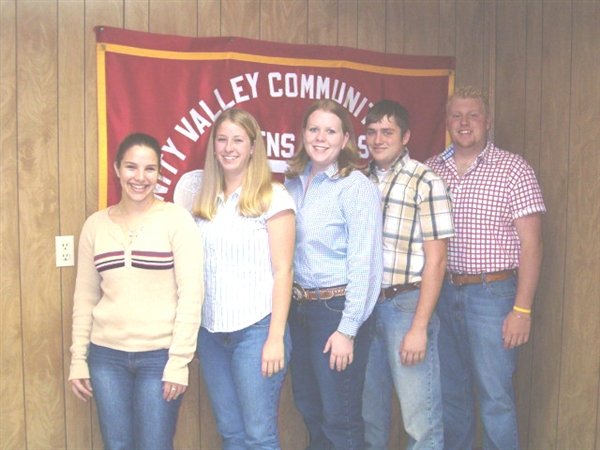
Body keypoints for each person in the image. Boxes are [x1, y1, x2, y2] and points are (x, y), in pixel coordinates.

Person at [425, 86, 545, 450]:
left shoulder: (513, 168)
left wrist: (521, 310)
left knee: (496, 398)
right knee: (451, 397)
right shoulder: (431, 170)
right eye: (457, 116)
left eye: (472, 115)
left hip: (493, 296)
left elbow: (533, 244)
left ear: (487, 122)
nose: (464, 123)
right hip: (442, 293)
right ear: (446, 123)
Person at [68, 132, 204, 450]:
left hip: (159, 358)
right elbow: (84, 297)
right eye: (131, 167)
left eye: (150, 169)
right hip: (105, 358)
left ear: (159, 172)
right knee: (117, 446)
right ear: (117, 169)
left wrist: (179, 361)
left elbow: (191, 295)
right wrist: (78, 359)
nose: (140, 178)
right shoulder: (95, 225)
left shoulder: (177, 221)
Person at [193, 107, 295, 450]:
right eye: (221, 139)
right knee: (232, 434)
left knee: (259, 435)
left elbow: (284, 270)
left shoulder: (273, 196)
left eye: (238, 139)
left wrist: (276, 337)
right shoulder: (203, 198)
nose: (228, 147)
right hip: (210, 334)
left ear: (253, 146)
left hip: (256, 332)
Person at [284, 99, 383, 450]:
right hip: (300, 310)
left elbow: (366, 265)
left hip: (337, 311)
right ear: (303, 135)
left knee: (340, 417)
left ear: (345, 140)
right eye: (314, 129)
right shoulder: (292, 184)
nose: (320, 137)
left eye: (330, 131)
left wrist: (348, 329)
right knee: (310, 408)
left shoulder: (356, 187)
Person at [361, 100, 454, 450]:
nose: (378, 139)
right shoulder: (360, 179)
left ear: (406, 136)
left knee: (421, 421)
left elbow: (438, 261)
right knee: (370, 417)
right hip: (368, 309)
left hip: (407, 306)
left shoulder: (426, 180)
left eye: (388, 132)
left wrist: (419, 327)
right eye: (371, 132)